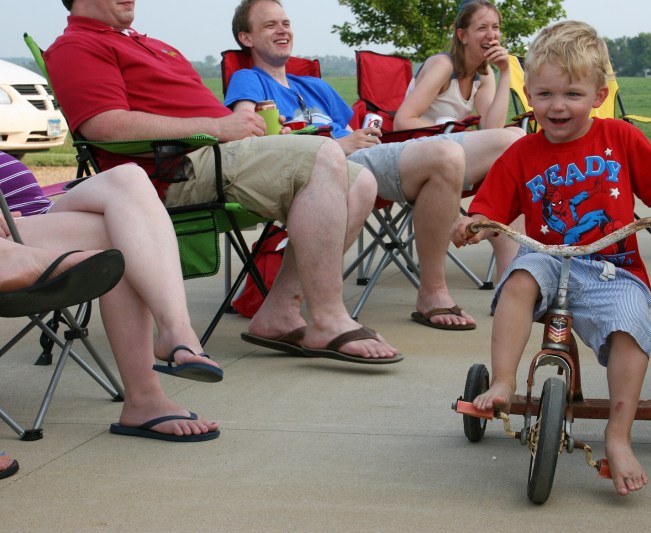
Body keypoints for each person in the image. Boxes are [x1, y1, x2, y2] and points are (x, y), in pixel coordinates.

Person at [47, 0, 400, 363]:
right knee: (324, 153)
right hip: (174, 171)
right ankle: (328, 319)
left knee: (361, 182)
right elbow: (104, 125)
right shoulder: (77, 46)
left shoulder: (152, 44)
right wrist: (217, 128)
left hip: (223, 156)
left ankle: (279, 312)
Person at [450, 21, 651, 496]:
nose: (557, 106)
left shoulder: (620, 139)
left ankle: (618, 438)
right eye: (545, 94)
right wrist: (474, 222)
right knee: (517, 277)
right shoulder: (521, 153)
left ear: (599, 95)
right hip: (548, 258)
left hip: (612, 266)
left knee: (629, 326)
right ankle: (502, 382)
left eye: (573, 94)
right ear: (529, 96)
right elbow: (490, 206)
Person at [226, 0, 524, 330]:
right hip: (324, 164)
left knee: (506, 143)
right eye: (270, 25)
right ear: (246, 38)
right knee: (450, 154)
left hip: (363, 159)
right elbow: (248, 136)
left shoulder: (316, 87)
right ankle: (436, 291)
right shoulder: (248, 79)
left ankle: (489, 269)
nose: (283, 29)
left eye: (285, 22)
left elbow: (355, 131)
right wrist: (337, 146)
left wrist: (359, 137)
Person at [2, 156, 222, 441]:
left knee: (130, 177)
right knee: (124, 233)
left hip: (40, 212)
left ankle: (176, 328)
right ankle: (145, 397)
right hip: (12, 239)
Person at [395, 0, 523, 279]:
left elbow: (492, 127)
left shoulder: (483, 74)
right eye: (482, 28)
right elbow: (403, 120)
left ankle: (510, 268)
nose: (492, 35)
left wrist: (504, 74)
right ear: (462, 35)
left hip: (454, 154)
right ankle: (509, 269)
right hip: (419, 158)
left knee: (517, 140)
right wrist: (449, 131)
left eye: (496, 27)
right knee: (515, 143)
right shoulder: (443, 65)